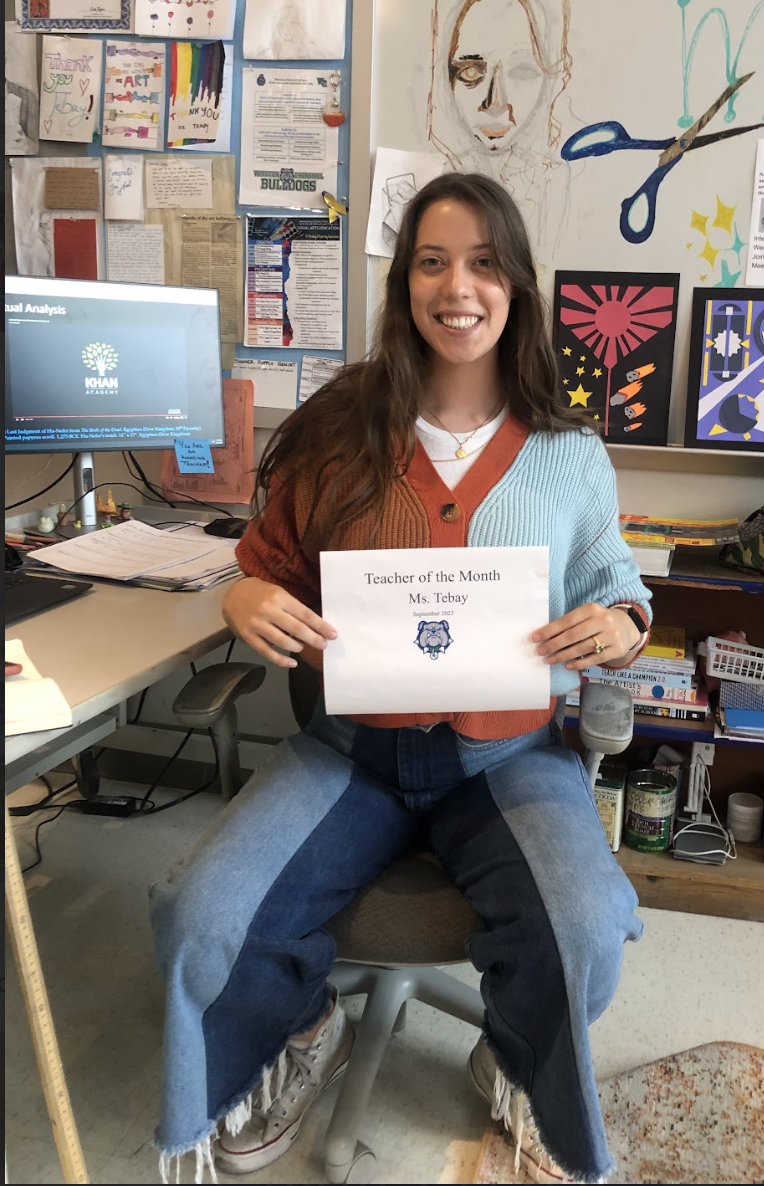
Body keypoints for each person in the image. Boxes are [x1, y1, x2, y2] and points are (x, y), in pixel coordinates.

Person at [150, 172, 651, 1185]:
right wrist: (239, 597)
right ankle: (302, 1028)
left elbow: (620, 589)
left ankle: (510, 1044)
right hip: (355, 752)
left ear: (513, 281)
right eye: (431, 260)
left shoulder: (567, 448)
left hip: (505, 757)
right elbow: (266, 560)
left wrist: (618, 622)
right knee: (202, 913)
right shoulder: (340, 426)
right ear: (403, 282)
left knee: (586, 924)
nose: (455, 286)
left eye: (480, 261)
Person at [428, 0, 575, 259]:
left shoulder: (554, 184)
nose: (495, 103)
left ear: (553, 79)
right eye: (471, 72)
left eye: (522, 71)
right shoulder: (430, 184)